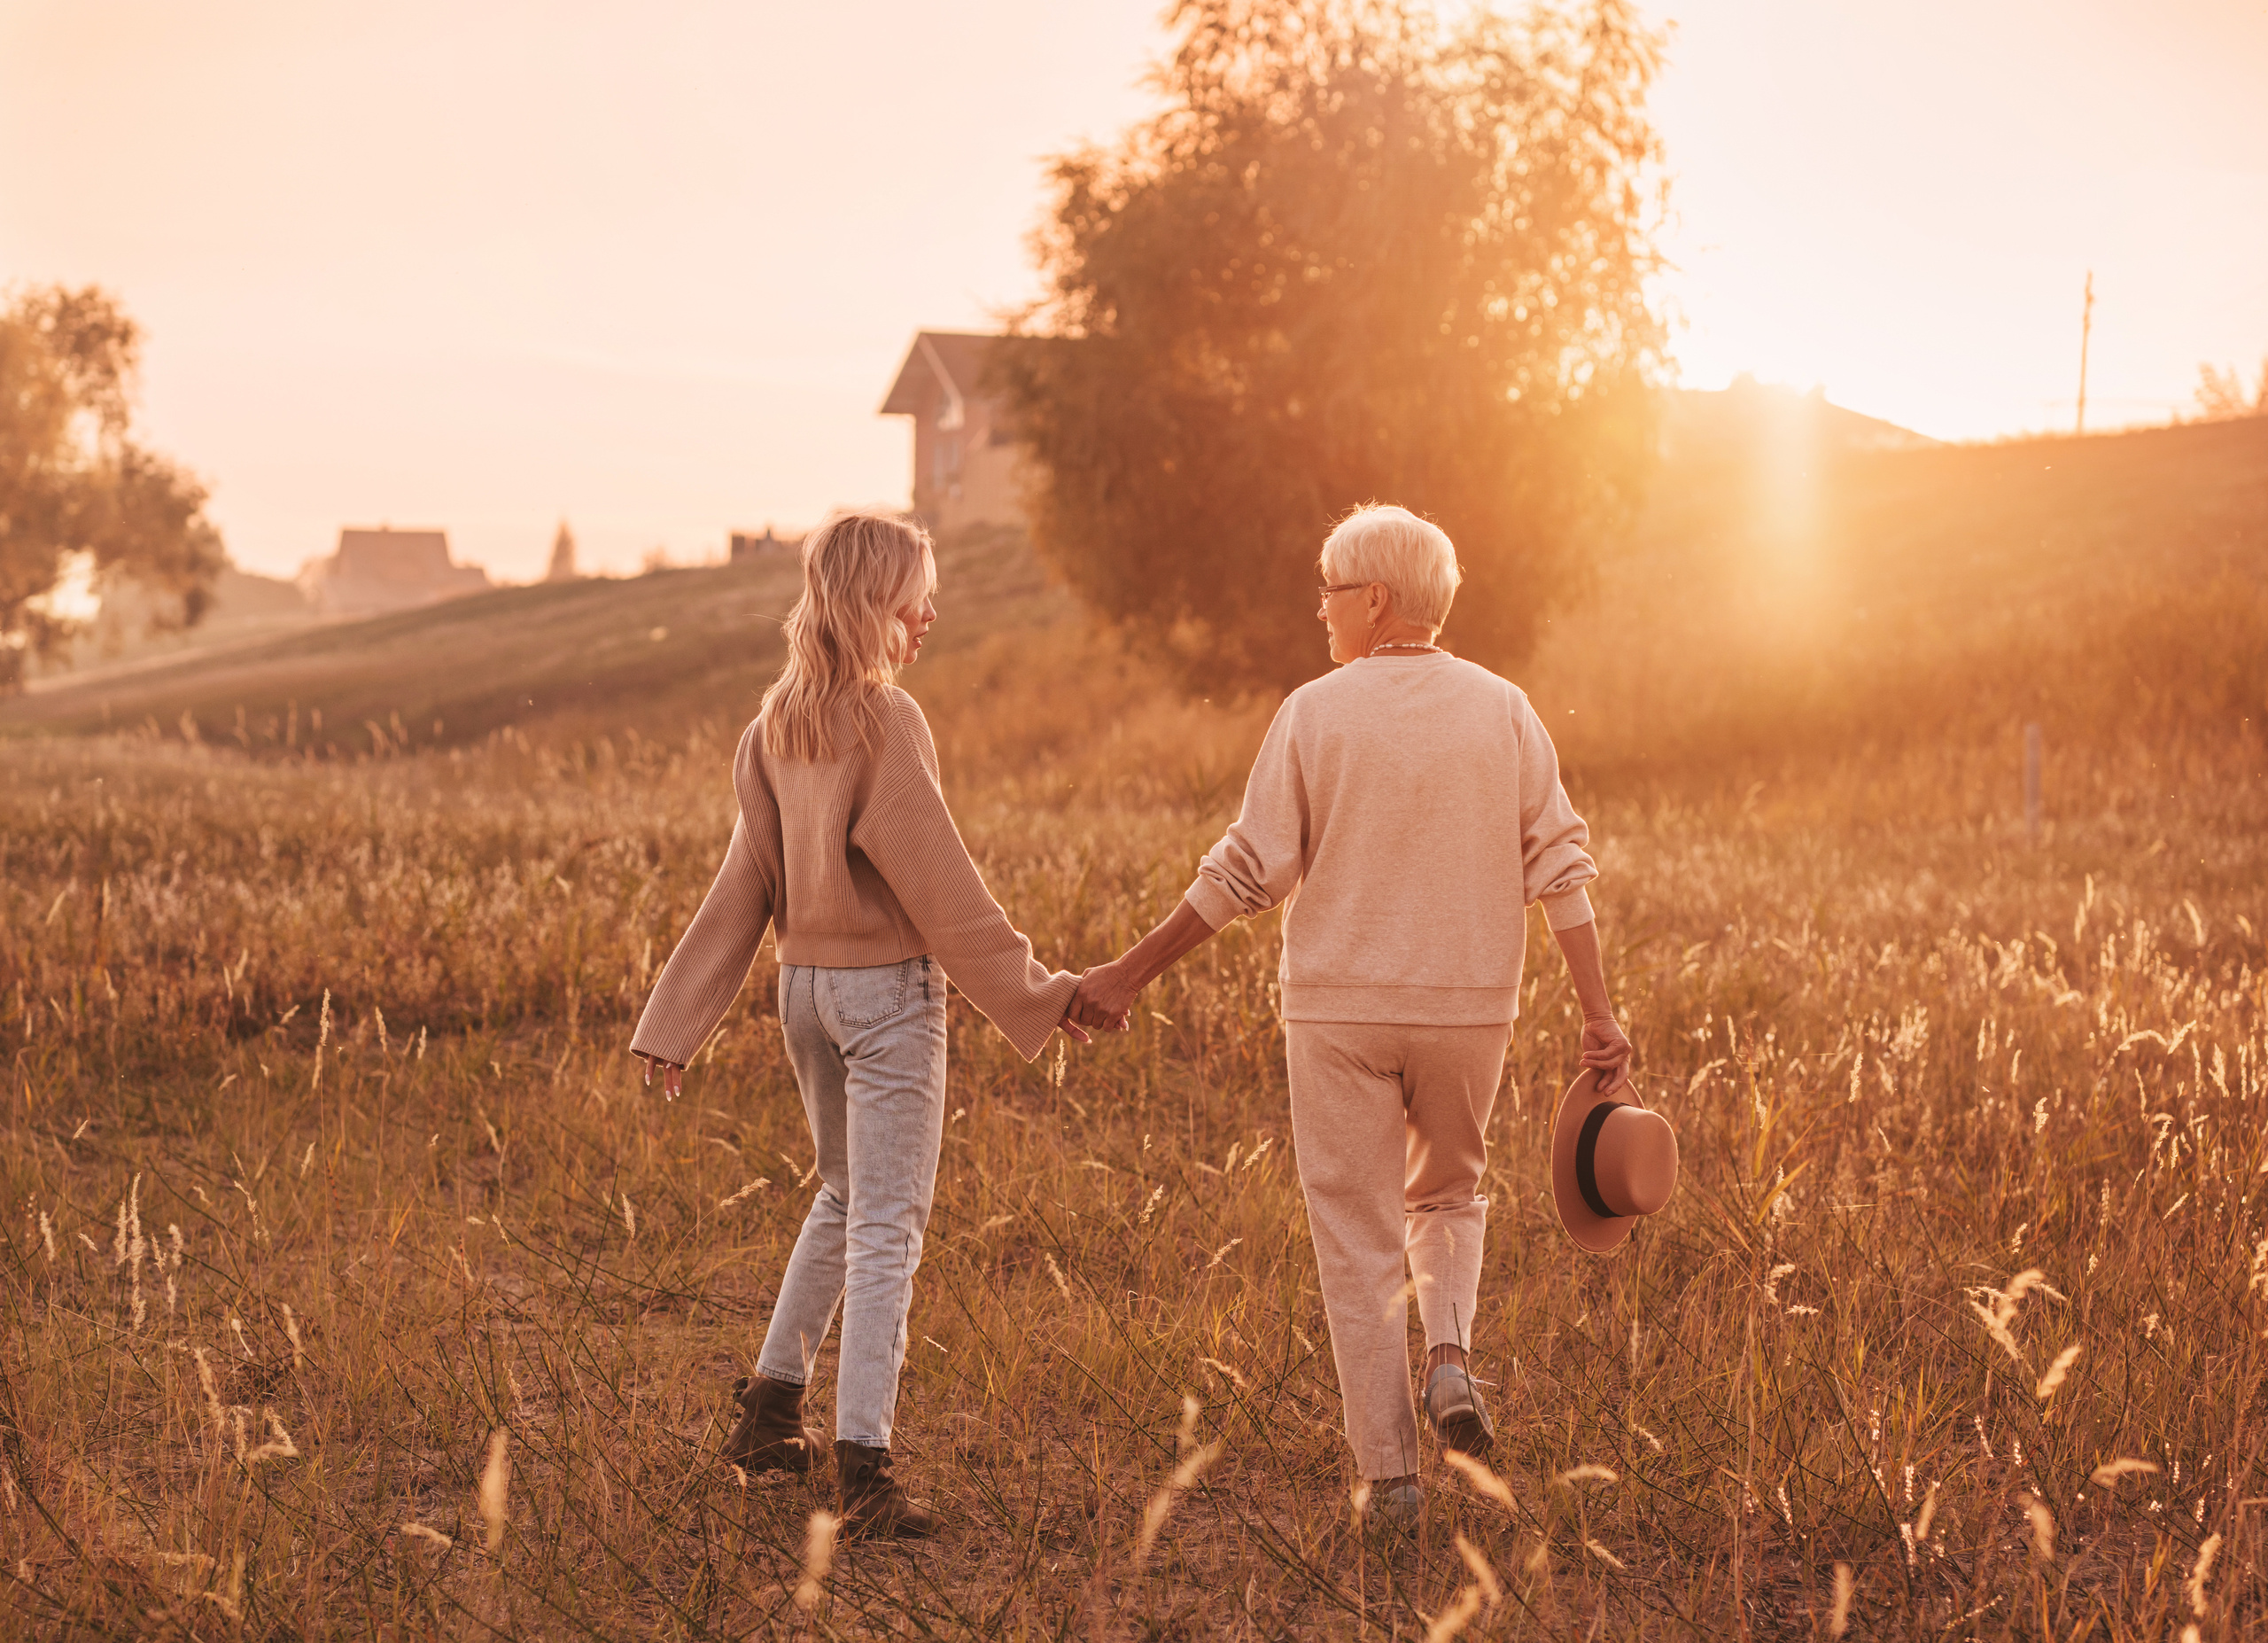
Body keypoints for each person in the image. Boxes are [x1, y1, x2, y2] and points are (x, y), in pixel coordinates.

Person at [1069, 504, 1632, 1524]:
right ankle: (1449, 1356)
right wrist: (1598, 1015)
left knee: (1356, 1234)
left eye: (1330, 592)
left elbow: (1244, 872)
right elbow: (1561, 865)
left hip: (1337, 1011)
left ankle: (1392, 1480)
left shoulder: (1314, 712)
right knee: (1448, 1196)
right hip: (1468, 1008)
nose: (1319, 610)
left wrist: (1130, 972)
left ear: (1374, 600)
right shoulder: (1505, 709)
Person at [631, 506, 1088, 1539]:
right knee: (887, 1221)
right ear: (872, 602)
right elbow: (943, 889)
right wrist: (1038, 992)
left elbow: (743, 886)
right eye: (915, 599)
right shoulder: (885, 720)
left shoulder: (774, 724)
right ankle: (864, 1470)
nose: (928, 617)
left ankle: (768, 1414)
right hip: (883, 999)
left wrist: (674, 1017)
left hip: (803, 995)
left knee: (843, 1198)